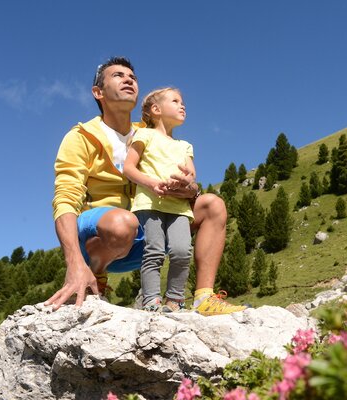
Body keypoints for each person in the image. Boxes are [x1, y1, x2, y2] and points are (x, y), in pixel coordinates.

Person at [46, 56, 246, 316]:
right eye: (118, 75)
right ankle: (94, 276)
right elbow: (65, 199)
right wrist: (73, 262)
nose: (129, 79)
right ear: (98, 92)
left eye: (133, 77)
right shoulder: (80, 137)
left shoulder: (150, 133)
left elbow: (180, 176)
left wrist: (190, 190)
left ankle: (204, 298)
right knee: (122, 222)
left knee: (212, 205)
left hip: (148, 225)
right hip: (101, 229)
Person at [123, 87, 194, 313]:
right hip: (149, 203)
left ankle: (175, 300)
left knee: (182, 251)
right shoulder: (144, 135)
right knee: (153, 250)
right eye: (175, 101)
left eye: (182, 102)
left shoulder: (185, 146)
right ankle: (151, 301)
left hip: (179, 207)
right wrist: (152, 183)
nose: (182, 105)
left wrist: (186, 182)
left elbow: (192, 176)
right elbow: (128, 168)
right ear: (156, 110)